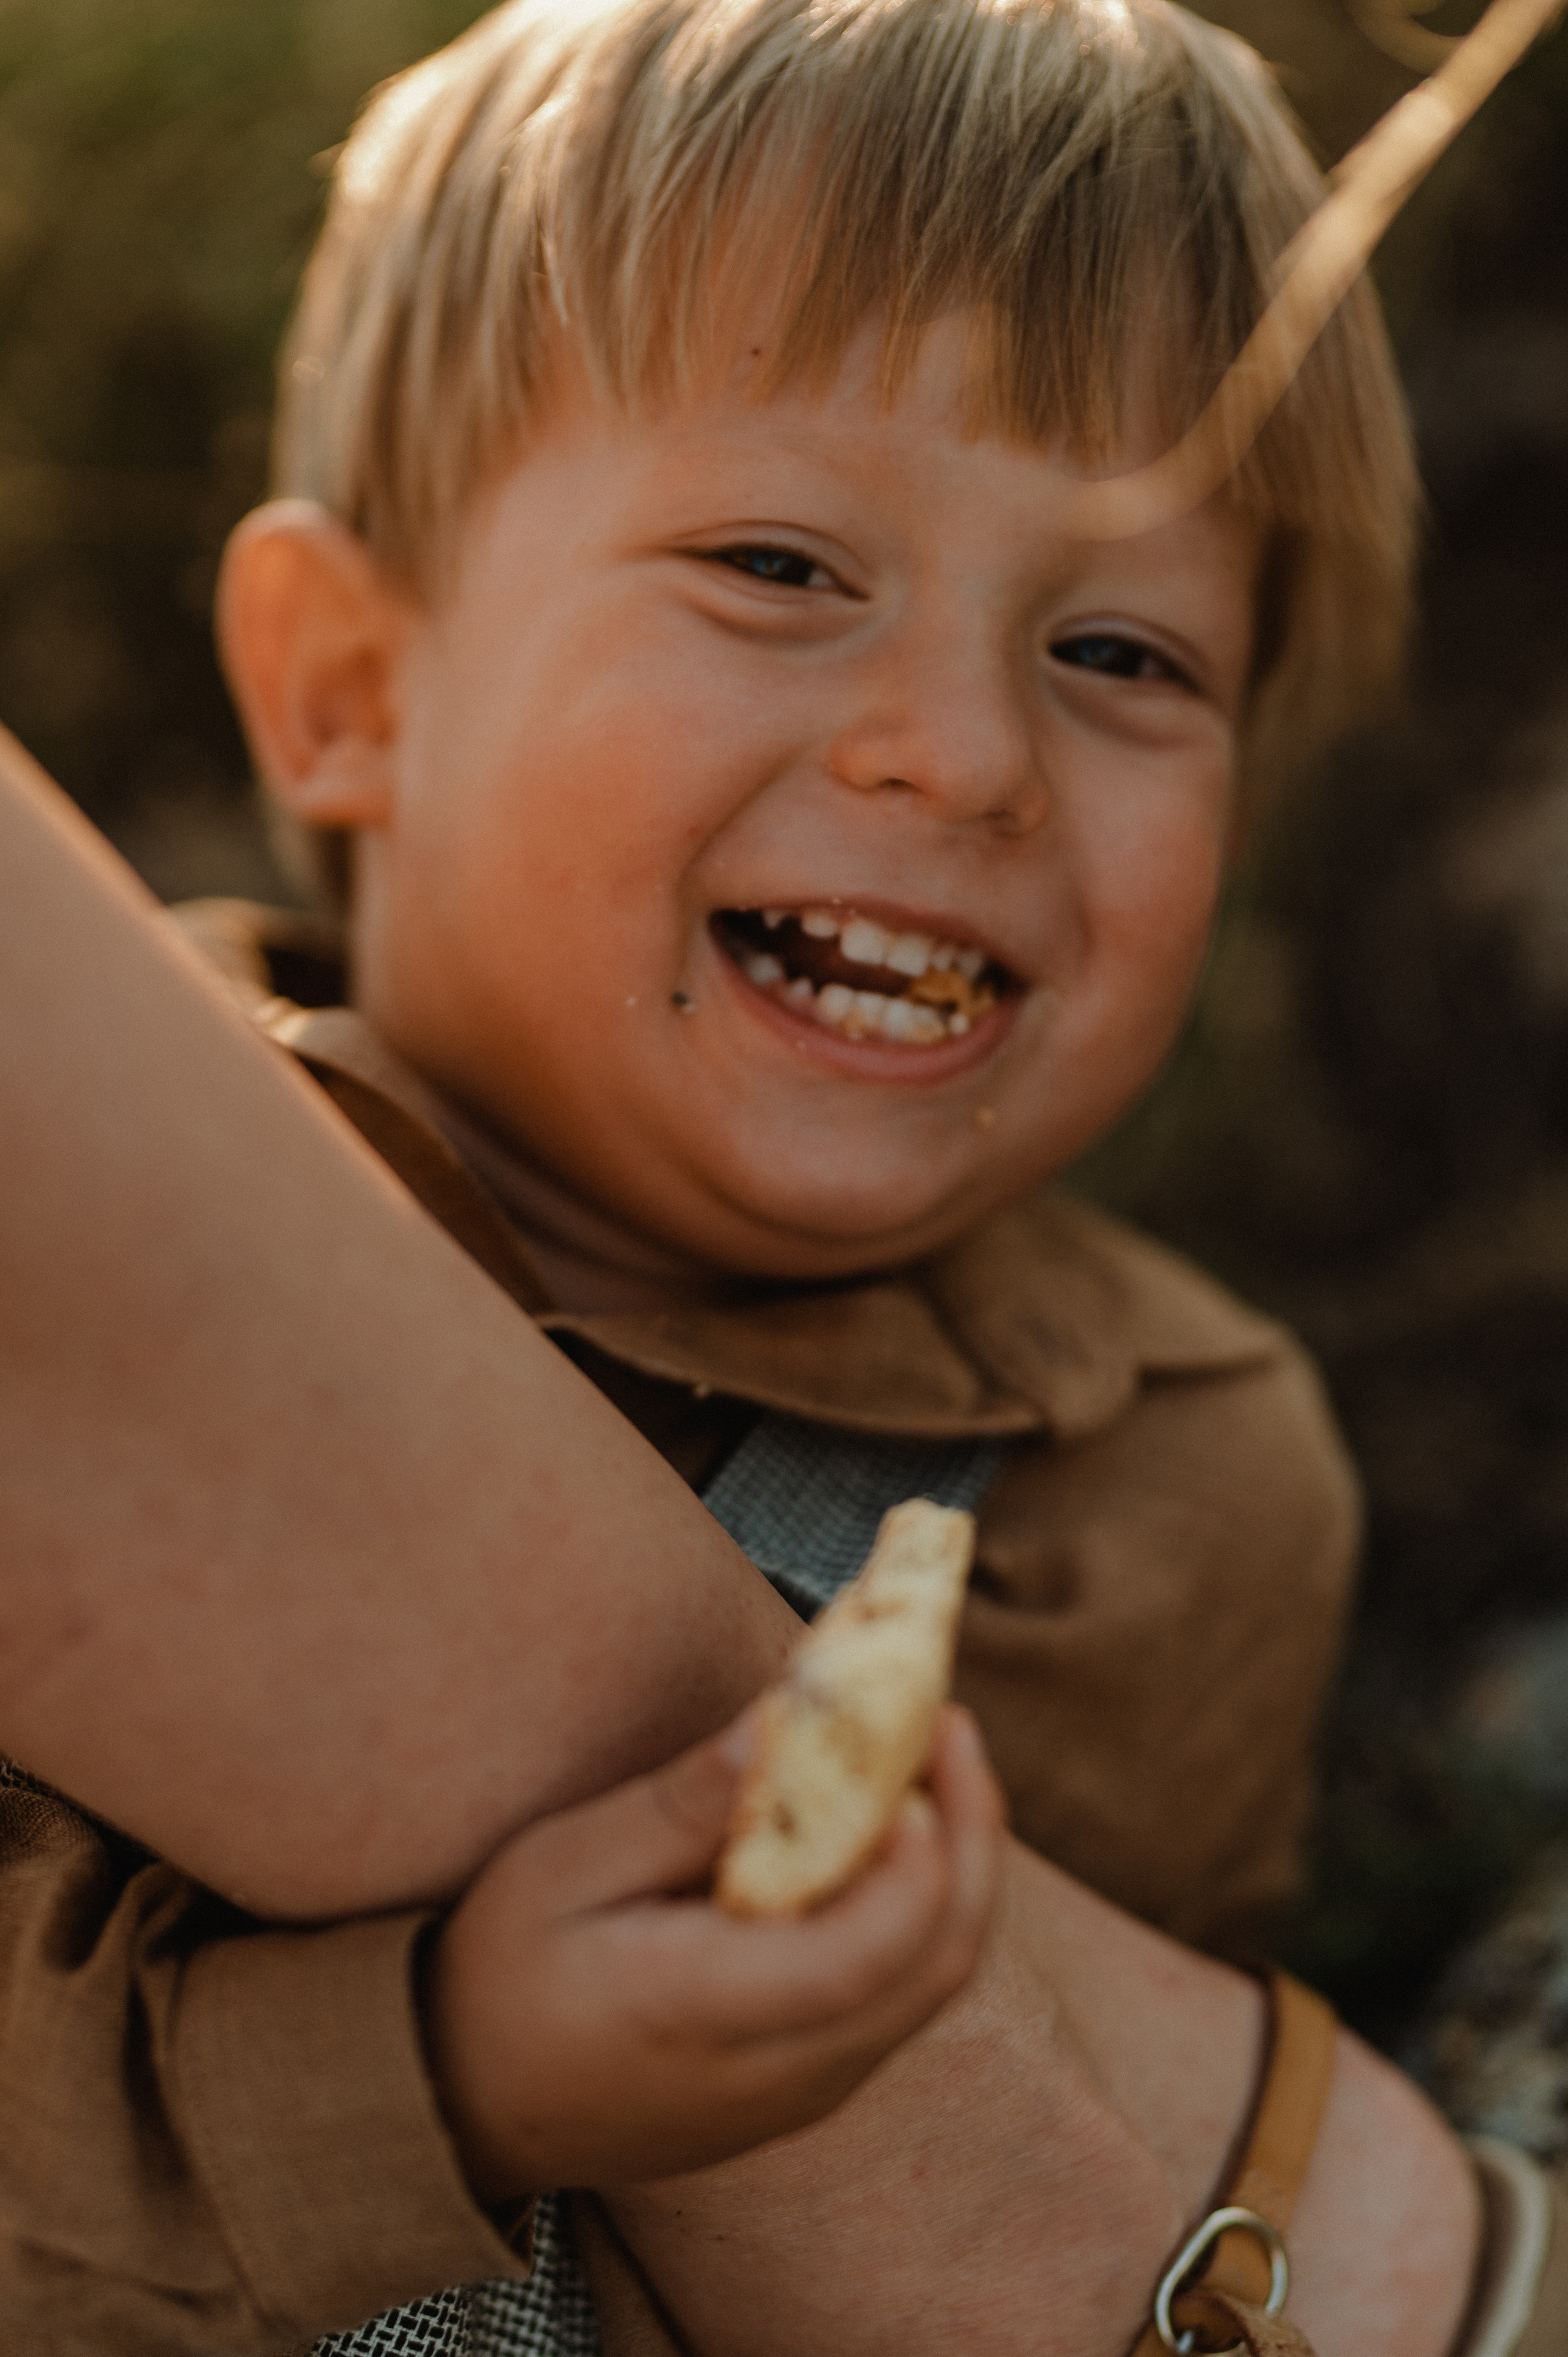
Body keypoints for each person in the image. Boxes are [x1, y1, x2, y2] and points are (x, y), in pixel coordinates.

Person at [0, 0, 1540, 2350]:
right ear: (350, 688)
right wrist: (437, 2079)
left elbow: (1042, 2190)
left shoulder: (1173, 1495)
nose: (966, 752)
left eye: (1123, 650)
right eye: (780, 565)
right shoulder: (85, 1229)